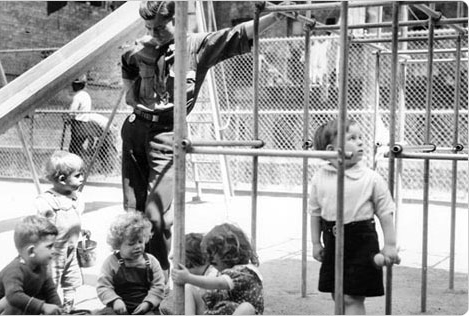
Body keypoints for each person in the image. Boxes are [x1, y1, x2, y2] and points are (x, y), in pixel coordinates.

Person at [120, 0, 288, 279]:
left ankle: (159, 278)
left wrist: (275, 15)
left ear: (180, 20)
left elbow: (239, 34)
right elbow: (127, 64)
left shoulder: (196, 46)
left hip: (166, 134)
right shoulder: (139, 48)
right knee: (132, 211)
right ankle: (136, 276)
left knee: (156, 215)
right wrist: (134, 89)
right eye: (149, 27)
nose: (154, 32)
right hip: (135, 128)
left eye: (161, 26)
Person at [309, 118, 401, 315]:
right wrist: (316, 243)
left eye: (360, 137)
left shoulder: (370, 178)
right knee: (338, 295)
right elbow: (315, 213)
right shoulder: (319, 177)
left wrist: (390, 245)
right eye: (352, 138)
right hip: (332, 239)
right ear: (332, 148)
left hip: (361, 241)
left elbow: (386, 213)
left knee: (353, 297)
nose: (360, 142)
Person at [34, 150, 87, 313]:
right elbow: (40, 226)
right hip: (55, 251)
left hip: (71, 249)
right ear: (62, 180)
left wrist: (82, 230)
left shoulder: (76, 197)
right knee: (52, 280)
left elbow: (75, 219)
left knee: (71, 278)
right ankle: (50, 307)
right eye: (78, 175)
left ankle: (68, 305)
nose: (82, 179)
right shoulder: (47, 201)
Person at [172, 223, 264, 315]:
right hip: (220, 311)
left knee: (247, 308)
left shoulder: (244, 273)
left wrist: (188, 278)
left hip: (238, 312)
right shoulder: (223, 272)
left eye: (212, 258)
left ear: (227, 256)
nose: (210, 261)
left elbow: (218, 283)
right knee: (189, 288)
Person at [0, 215, 62, 315]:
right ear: (31, 251)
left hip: (17, 309)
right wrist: (43, 307)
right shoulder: (15, 269)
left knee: (37, 298)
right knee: (13, 300)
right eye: (49, 246)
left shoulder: (42, 267)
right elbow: (13, 296)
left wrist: (59, 309)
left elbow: (50, 291)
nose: (54, 250)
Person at [96, 211, 166, 315]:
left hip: (145, 307)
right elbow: (103, 286)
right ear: (118, 244)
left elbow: (158, 286)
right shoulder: (111, 262)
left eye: (140, 242)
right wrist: (115, 300)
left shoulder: (151, 261)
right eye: (131, 243)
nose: (137, 246)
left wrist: (148, 303)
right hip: (119, 307)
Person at [159, 233, 219, 315]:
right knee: (166, 304)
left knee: (187, 289)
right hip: (203, 308)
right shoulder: (199, 273)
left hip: (210, 310)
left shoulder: (213, 273)